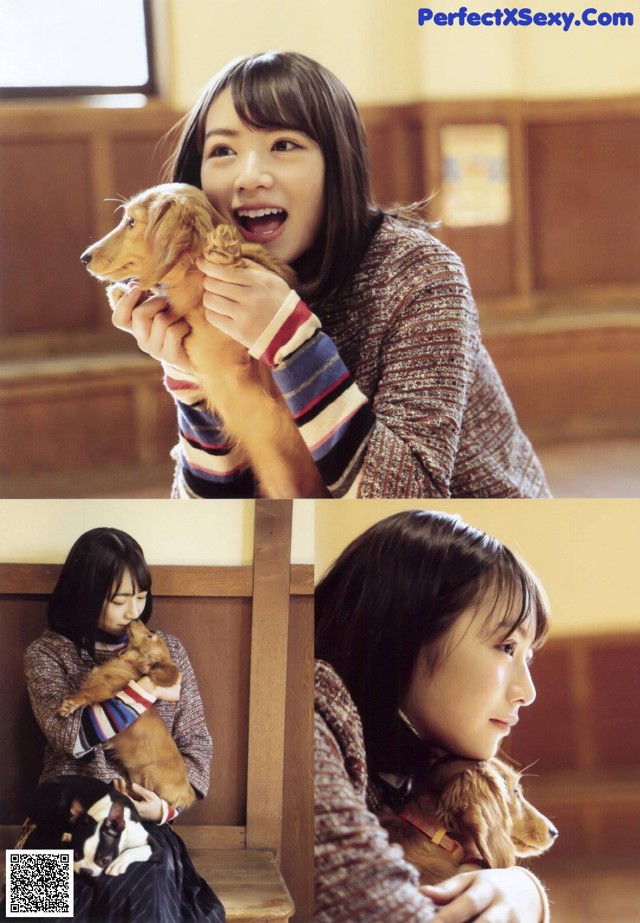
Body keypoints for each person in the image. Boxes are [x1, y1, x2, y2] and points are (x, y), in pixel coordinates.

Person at [111, 51, 550, 500]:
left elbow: (402, 503)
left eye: (284, 145)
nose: (250, 176)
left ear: (336, 165)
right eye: (222, 150)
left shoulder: (420, 275)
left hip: (482, 552)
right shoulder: (206, 292)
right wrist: (195, 379)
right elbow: (214, 518)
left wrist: (290, 341)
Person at [314, 509, 551, 923]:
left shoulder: (403, 766)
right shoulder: (310, 724)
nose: (528, 692)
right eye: (507, 647)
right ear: (408, 629)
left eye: (526, 657)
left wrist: (523, 890)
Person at [21, 527, 225, 923]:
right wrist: (148, 689)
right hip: (62, 814)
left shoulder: (169, 651)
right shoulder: (46, 653)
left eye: (141, 596)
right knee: (35, 911)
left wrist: (163, 811)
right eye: (120, 600)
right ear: (85, 594)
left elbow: (197, 745)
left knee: (137, 893)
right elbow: (71, 737)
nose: (134, 611)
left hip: (138, 820)